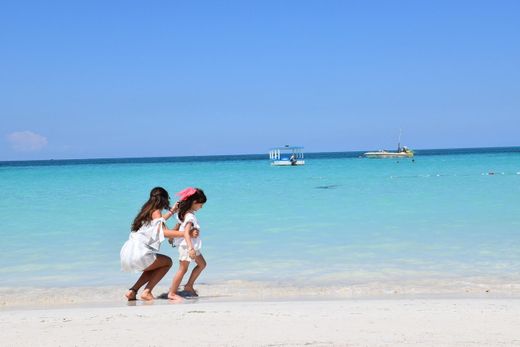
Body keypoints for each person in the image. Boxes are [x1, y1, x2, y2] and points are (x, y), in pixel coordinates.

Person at [120, 187, 197, 301]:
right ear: (164, 199)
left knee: (154, 266)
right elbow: (163, 232)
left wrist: (172, 212)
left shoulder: (146, 210)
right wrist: (186, 233)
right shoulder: (156, 212)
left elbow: (158, 223)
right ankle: (147, 291)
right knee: (167, 262)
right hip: (139, 253)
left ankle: (133, 291)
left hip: (127, 253)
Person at [168, 187, 207, 302]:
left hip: (192, 246)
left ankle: (189, 286)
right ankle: (172, 293)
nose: (201, 207)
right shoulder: (189, 216)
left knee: (202, 264)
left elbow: (179, 224)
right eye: (201, 204)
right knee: (182, 269)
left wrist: (172, 236)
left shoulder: (184, 212)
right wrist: (190, 248)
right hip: (187, 246)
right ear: (194, 202)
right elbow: (186, 232)